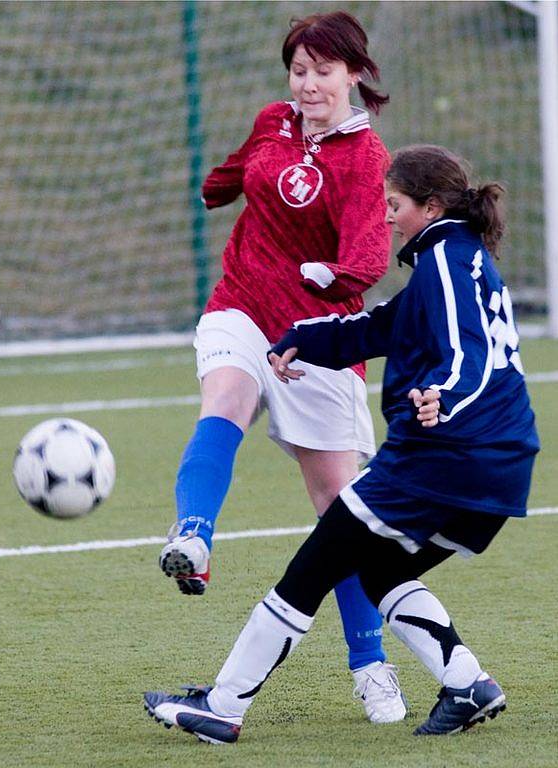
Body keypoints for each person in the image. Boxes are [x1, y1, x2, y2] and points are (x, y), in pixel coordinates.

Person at [144, 145, 539, 742]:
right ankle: (468, 683)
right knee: (377, 568)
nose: (386, 216)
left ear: (430, 207)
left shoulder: (447, 262)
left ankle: (223, 707)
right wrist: (305, 336)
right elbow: (384, 326)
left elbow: (467, 354)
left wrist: (444, 395)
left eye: (395, 204)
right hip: (498, 465)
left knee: (314, 567)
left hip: (444, 456)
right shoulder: (459, 256)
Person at [159, 12, 407, 722]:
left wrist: (329, 275)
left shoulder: (365, 158)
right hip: (240, 301)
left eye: (322, 71)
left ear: (353, 74)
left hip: (319, 335)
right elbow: (237, 172)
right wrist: (214, 188)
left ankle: (371, 666)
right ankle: (194, 535)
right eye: (298, 70)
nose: (307, 84)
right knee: (224, 402)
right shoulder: (275, 121)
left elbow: (366, 255)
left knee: (340, 508)